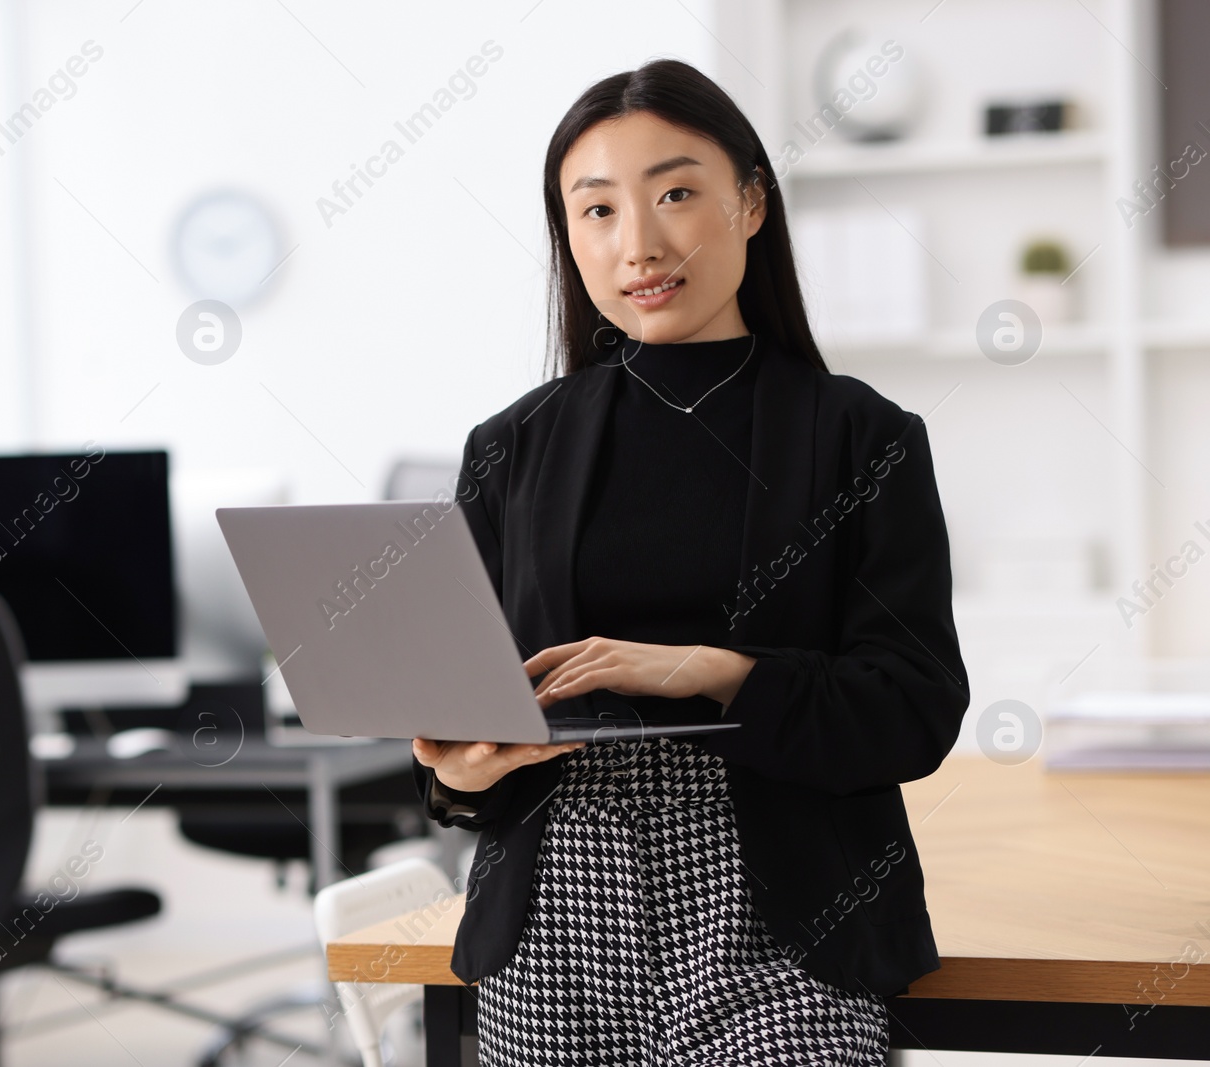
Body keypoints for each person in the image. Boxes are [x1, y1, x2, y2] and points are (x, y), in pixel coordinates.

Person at [409, 57, 969, 1066]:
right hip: (553, 928)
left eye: (675, 193)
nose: (639, 244)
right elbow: (467, 755)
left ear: (751, 202)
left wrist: (706, 669)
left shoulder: (862, 436)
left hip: (781, 925)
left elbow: (913, 706)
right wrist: (459, 768)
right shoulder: (509, 448)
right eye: (596, 211)